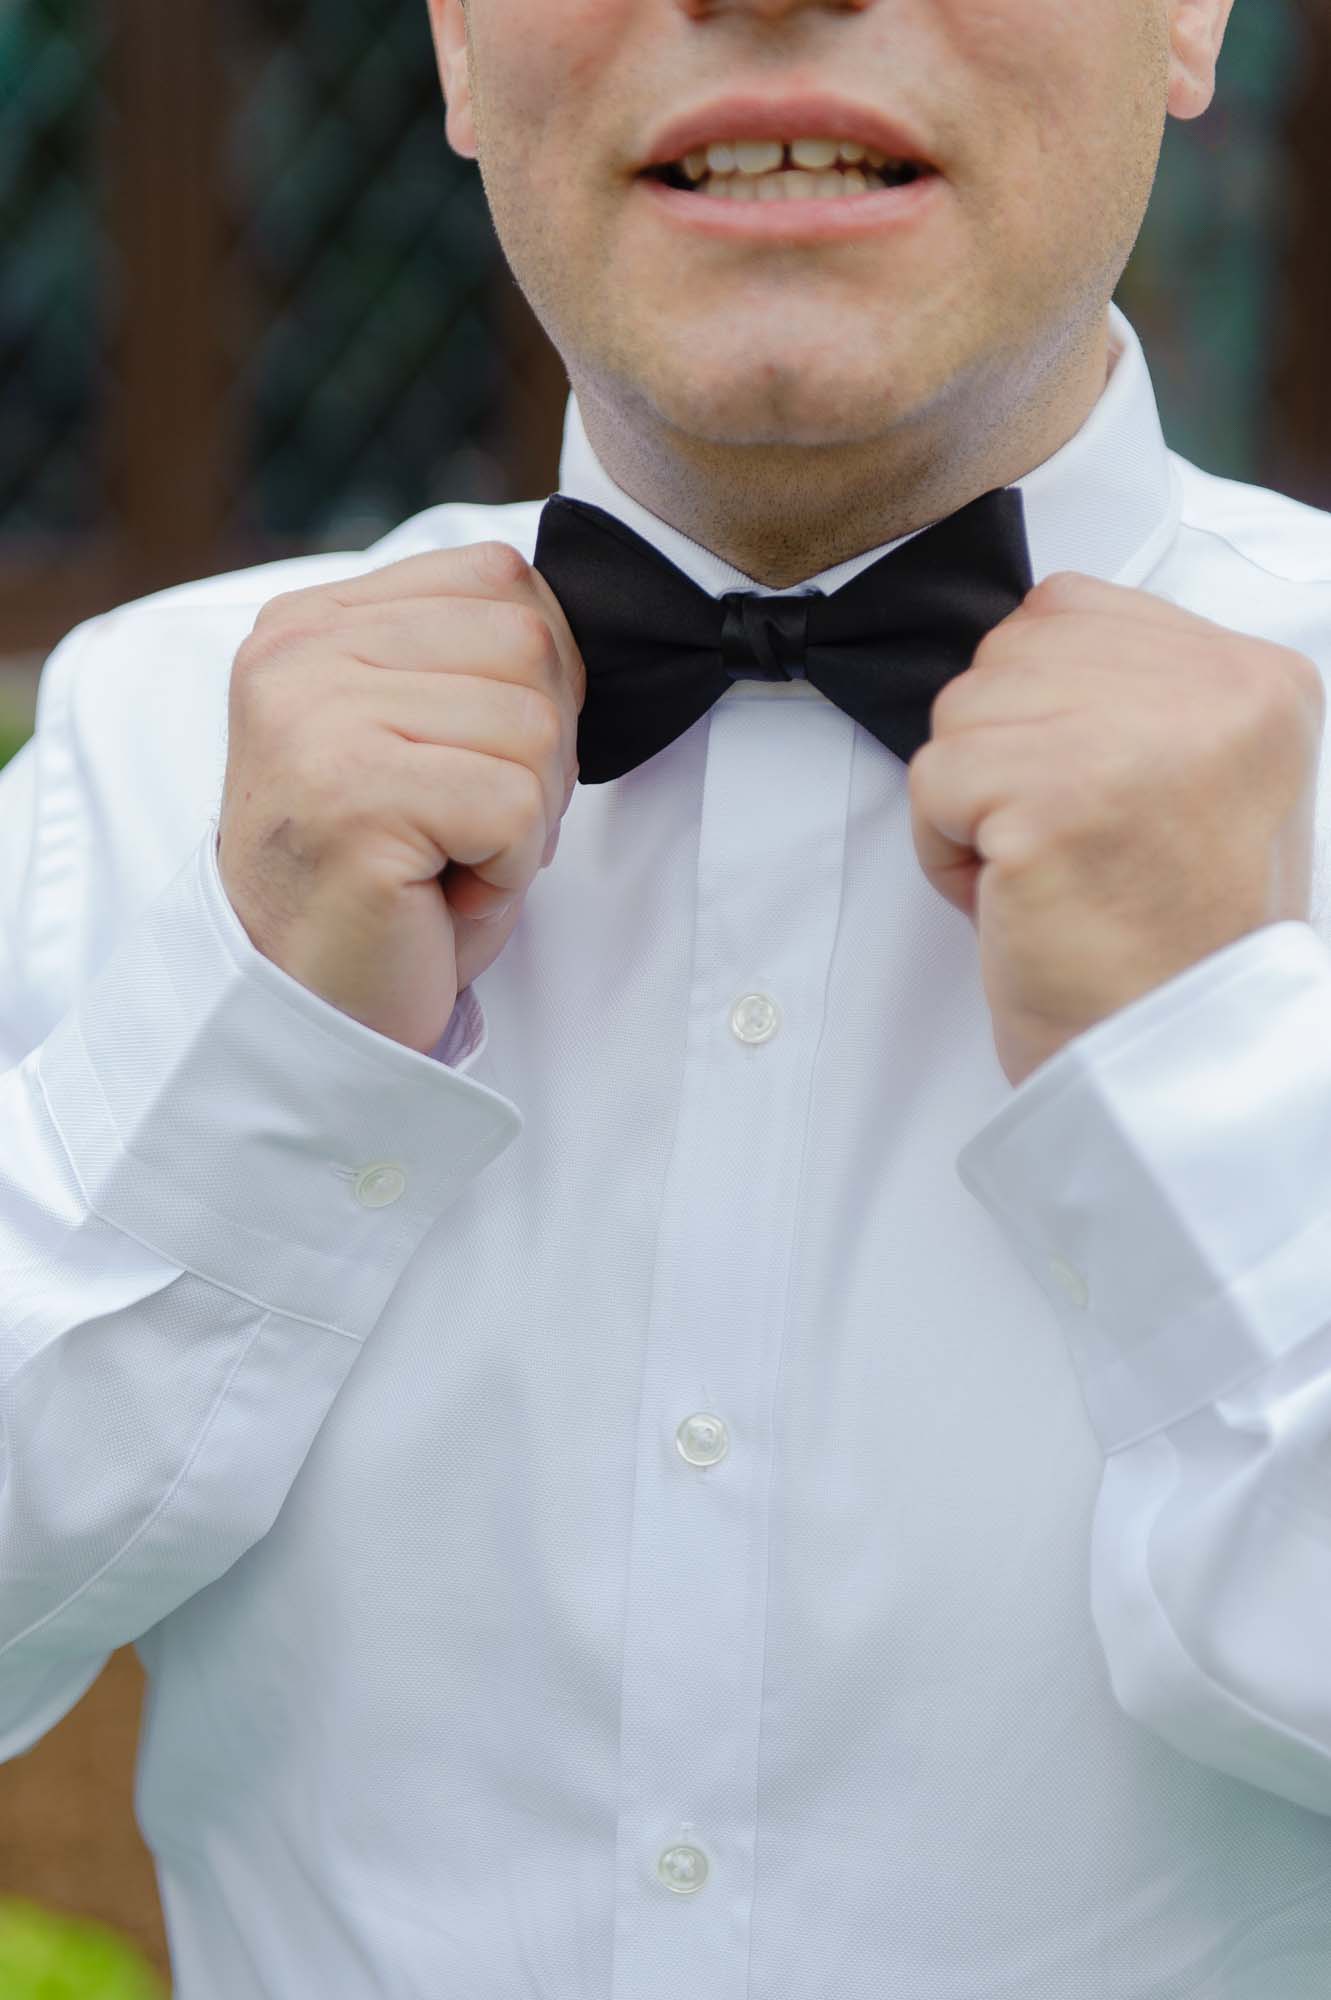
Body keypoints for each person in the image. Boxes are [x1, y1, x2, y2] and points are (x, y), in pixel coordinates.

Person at [3, 0, 1331, 1991]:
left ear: (1185, 18)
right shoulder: (154, 740)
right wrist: (260, 1073)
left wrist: (1217, 1083)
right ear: (455, 46)